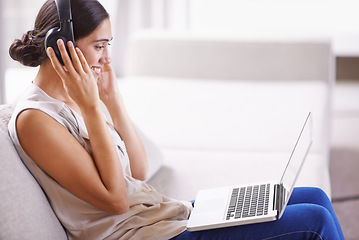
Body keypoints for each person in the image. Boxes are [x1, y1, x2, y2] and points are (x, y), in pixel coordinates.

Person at [8, 0, 344, 239]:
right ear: (62, 46)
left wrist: (112, 100)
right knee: (313, 221)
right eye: (99, 46)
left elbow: (136, 173)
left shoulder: (75, 96)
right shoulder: (35, 119)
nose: (107, 58)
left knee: (314, 197)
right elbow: (115, 201)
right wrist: (94, 107)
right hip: (141, 234)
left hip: (158, 216)